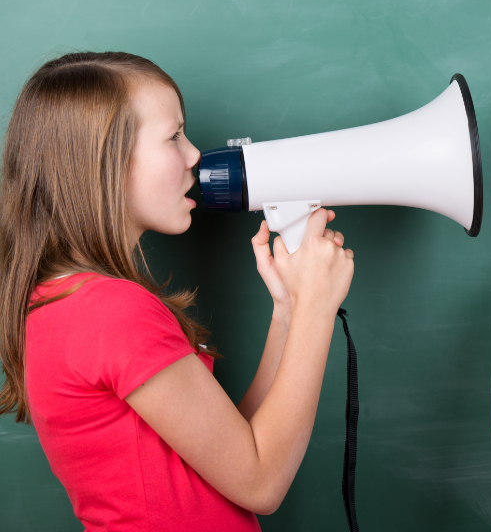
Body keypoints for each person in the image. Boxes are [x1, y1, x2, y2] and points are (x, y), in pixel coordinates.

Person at [0, 52, 355, 531]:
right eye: (173, 137)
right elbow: (261, 482)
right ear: (104, 161)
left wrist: (289, 311)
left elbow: (231, 453)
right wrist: (318, 306)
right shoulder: (112, 311)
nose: (194, 155)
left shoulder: (65, 301)